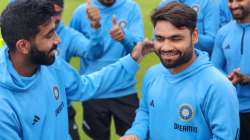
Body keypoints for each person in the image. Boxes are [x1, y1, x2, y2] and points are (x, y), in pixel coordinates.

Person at [0, 0, 152, 139]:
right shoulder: (4, 107)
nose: (58, 40)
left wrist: (132, 59)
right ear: (23, 46)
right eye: (49, 35)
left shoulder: (50, 64)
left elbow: (86, 85)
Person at [120, 2, 239, 140]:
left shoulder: (219, 86)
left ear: (194, 36)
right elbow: (145, 113)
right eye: (159, 38)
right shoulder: (152, 74)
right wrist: (135, 134)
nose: (166, 47)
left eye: (175, 39)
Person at [70, 0, 144, 139]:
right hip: (94, 91)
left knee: (135, 136)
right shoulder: (82, 12)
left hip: (124, 89)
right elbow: (72, 43)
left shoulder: (131, 8)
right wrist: (95, 28)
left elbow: (139, 47)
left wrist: (124, 36)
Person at [211, 0, 250, 139]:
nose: (233, 5)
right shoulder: (223, 33)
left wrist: (248, 79)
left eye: (239, 0)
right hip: (230, 111)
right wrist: (226, 79)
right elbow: (214, 68)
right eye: (230, 1)